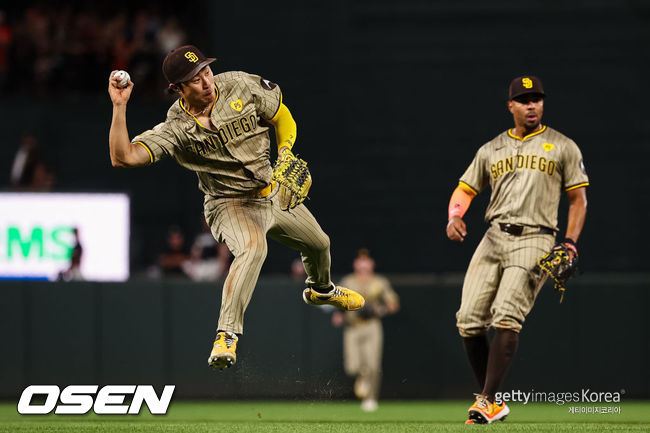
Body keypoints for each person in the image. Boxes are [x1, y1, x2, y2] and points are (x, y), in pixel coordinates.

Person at [107, 44, 364, 370]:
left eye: (205, 71)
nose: (206, 81)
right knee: (254, 248)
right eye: (194, 79)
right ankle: (226, 335)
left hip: (272, 192)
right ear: (178, 89)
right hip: (230, 203)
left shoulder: (240, 85)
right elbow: (123, 157)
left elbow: (281, 116)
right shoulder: (175, 128)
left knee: (320, 244)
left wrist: (285, 152)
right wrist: (119, 107)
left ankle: (321, 290)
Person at [445, 76, 588, 424]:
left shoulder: (563, 145)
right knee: (468, 320)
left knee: (507, 314)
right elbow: (465, 188)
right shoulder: (491, 149)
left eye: (537, 99)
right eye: (524, 100)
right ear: (510, 106)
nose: (532, 105)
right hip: (493, 236)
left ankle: (487, 401)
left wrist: (569, 242)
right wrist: (454, 215)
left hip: (536, 238)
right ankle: (491, 400)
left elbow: (578, 199)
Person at [331, 249, 399, 412]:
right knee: (352, 367)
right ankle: (362, 377)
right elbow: (339, 301)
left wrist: (381, 309)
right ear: (356, 263)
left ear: (371, 263)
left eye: (366, 260)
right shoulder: (348, 281)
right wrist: (339, 314)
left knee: (373, 364)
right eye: (360, 260)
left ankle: (370, 398)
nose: (363, 264)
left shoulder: (379, 282)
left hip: (371, 326)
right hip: (353, 326)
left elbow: (393, 304)